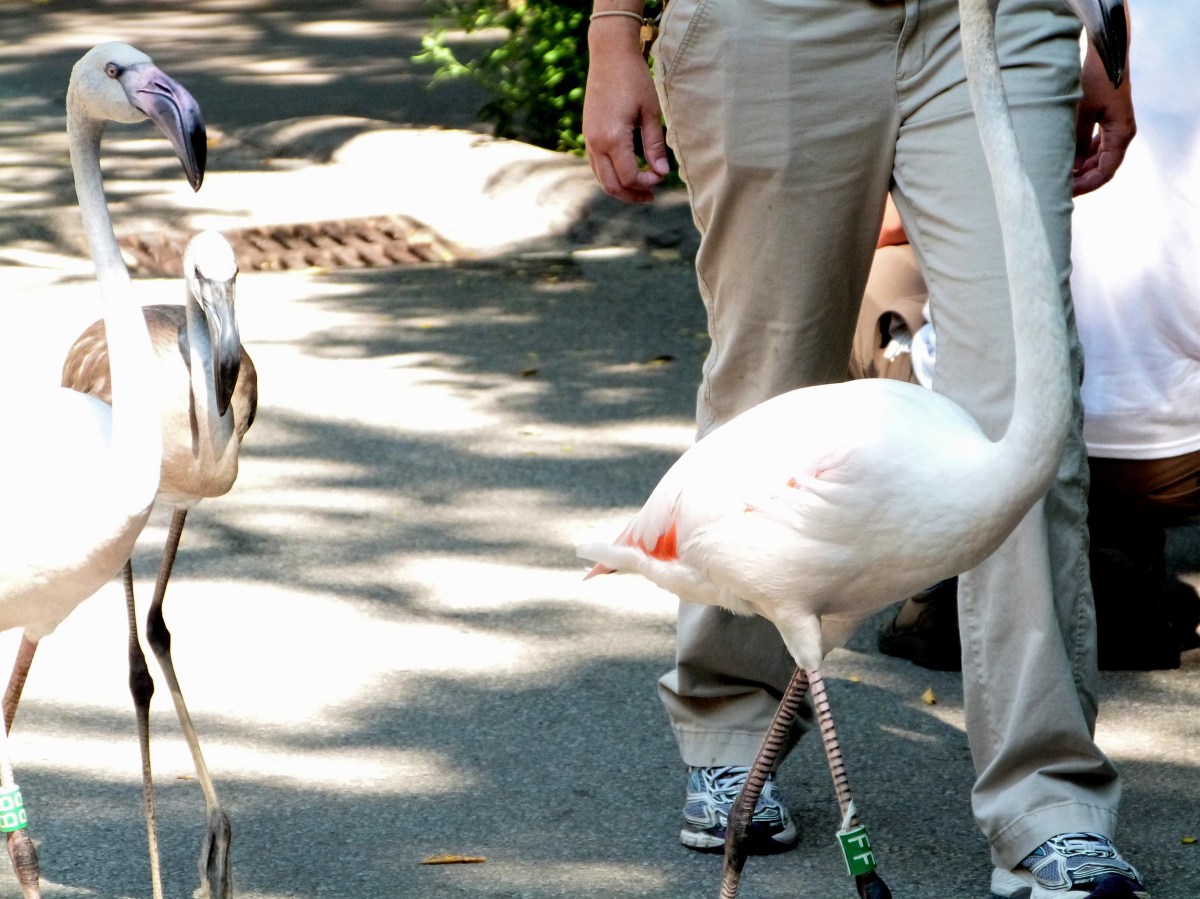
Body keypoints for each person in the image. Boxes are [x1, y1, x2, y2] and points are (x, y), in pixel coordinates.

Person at [582, 1, 1147, 897]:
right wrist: (614, 25)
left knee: (1029, 408)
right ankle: (733, 732)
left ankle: (1050, 804)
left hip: (993, 18)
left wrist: (1086, 19)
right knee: (769, 380)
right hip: (771, 24)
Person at [873, 0, 1200, 673]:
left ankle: (960, 568)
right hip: (1181, 444)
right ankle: (1109, 555)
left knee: (879, 269)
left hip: (1021, 446)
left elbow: (878, 221)